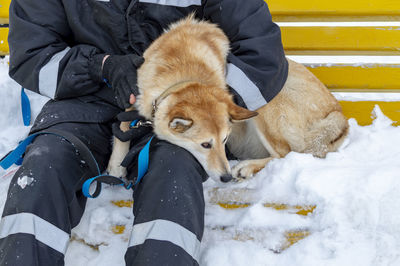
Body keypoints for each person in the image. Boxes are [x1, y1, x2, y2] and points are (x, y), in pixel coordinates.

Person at [0, 0, 288, 265]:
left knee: (173, 176)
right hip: (82, 104)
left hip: (178, 116)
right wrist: (100, 66)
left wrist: (202, 104)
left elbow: (262, 56)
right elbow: (33, 54)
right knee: (43, 167)